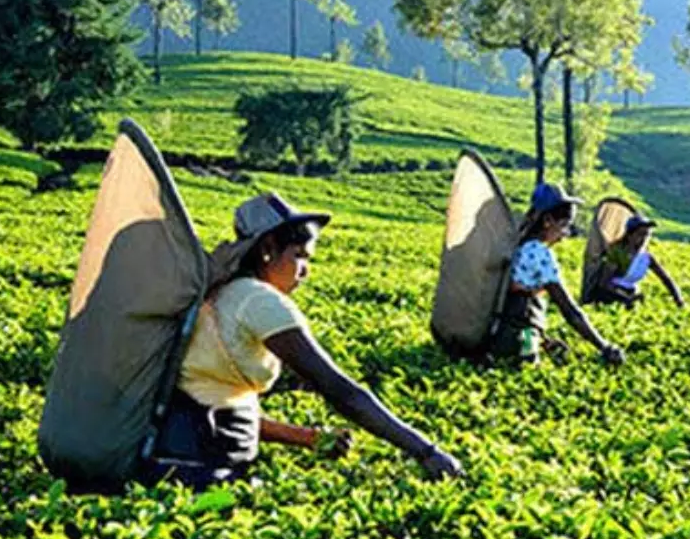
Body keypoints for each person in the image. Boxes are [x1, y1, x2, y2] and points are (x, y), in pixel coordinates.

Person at [142, 193, 464, 488]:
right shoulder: (258, 301)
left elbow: (216, 405)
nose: (305, 271)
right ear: (268, 250)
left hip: (169, 461)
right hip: (209, 471)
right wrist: (426, 451)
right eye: (299, 256)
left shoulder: (216, 292)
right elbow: (340, 391)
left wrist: (306, 438)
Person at [490, 182, 626, 366]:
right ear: (547, 221)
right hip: (520, 340)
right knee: (530, 368)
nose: (565, 234)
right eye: (564, 225)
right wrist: (604, 346)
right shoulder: (540, 254)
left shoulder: (516, 244)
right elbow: (570, 311)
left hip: (493, 335)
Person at [594, 215, 685, 309]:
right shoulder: (618, 252)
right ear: (630, 235)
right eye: (640, 234)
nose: (644, 239)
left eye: (647, 235)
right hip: (612, 295)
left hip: (631, 292)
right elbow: (604, 284)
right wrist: (625, 298)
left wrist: (678, 299)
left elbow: (666, 279)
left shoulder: (646, 257)